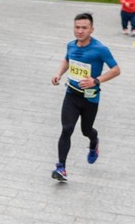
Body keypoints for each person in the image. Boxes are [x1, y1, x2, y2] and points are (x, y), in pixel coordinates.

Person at [50, 12, 120, 182]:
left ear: (91, 29)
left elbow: (116, 70)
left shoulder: (100, 49)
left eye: (84, 28)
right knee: (67, 129)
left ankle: (94, 141)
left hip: (90, 98)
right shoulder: (71, 45)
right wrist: (59, 74)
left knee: (86, 130)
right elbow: (67, 60)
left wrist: (96, 80)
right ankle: (61, 168)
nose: (80, 31)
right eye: (77, 27)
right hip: (71, 95)